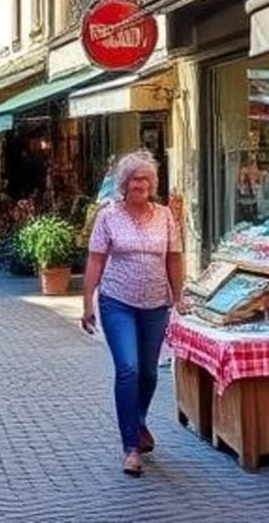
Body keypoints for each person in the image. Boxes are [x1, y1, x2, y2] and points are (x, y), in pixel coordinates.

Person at [80, 150, 189, 477]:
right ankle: (130, 447)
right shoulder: (108, 217)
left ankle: (138, 420)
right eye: (134, 180)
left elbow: (174, 258)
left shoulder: (165, 216)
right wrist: (87, 303)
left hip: (156, 303)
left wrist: (178, 295)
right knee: (128, 368)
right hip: (117, 301)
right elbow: (96, 260)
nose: (140, 184)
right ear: (124, 185)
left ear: (152, 183)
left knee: (150, 373)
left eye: (146, 179)